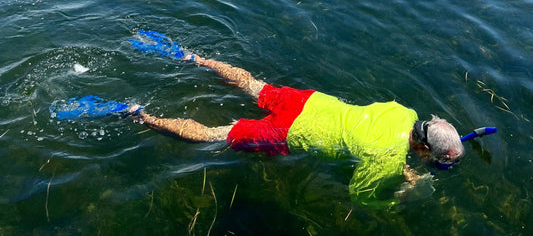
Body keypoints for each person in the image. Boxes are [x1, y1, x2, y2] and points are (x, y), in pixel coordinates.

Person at [127, 49, 465, 209]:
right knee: (217, 135)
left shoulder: (404, 111)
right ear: (423, 149)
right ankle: (140, 115)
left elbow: (388, 144)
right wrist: (403, 196)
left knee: (253, 85)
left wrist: (403, 167)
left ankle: (193, 59)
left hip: (312, 102)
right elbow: (361, 195)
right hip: (295, 131)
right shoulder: (385, 159)